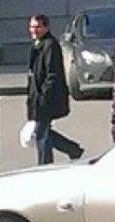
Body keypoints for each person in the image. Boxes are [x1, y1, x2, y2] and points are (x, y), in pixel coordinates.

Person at [26, 14, 83, 164]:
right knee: (44, 132)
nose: (34, 30)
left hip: (47, 98)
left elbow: (53, 73)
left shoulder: (50, 45)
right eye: (32, 26)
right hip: (37, 96)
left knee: (40, 134)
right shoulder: (37, 45)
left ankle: (44, 166)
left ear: (46, 27)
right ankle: (72, 149)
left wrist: (44, 95)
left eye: (38, 27)